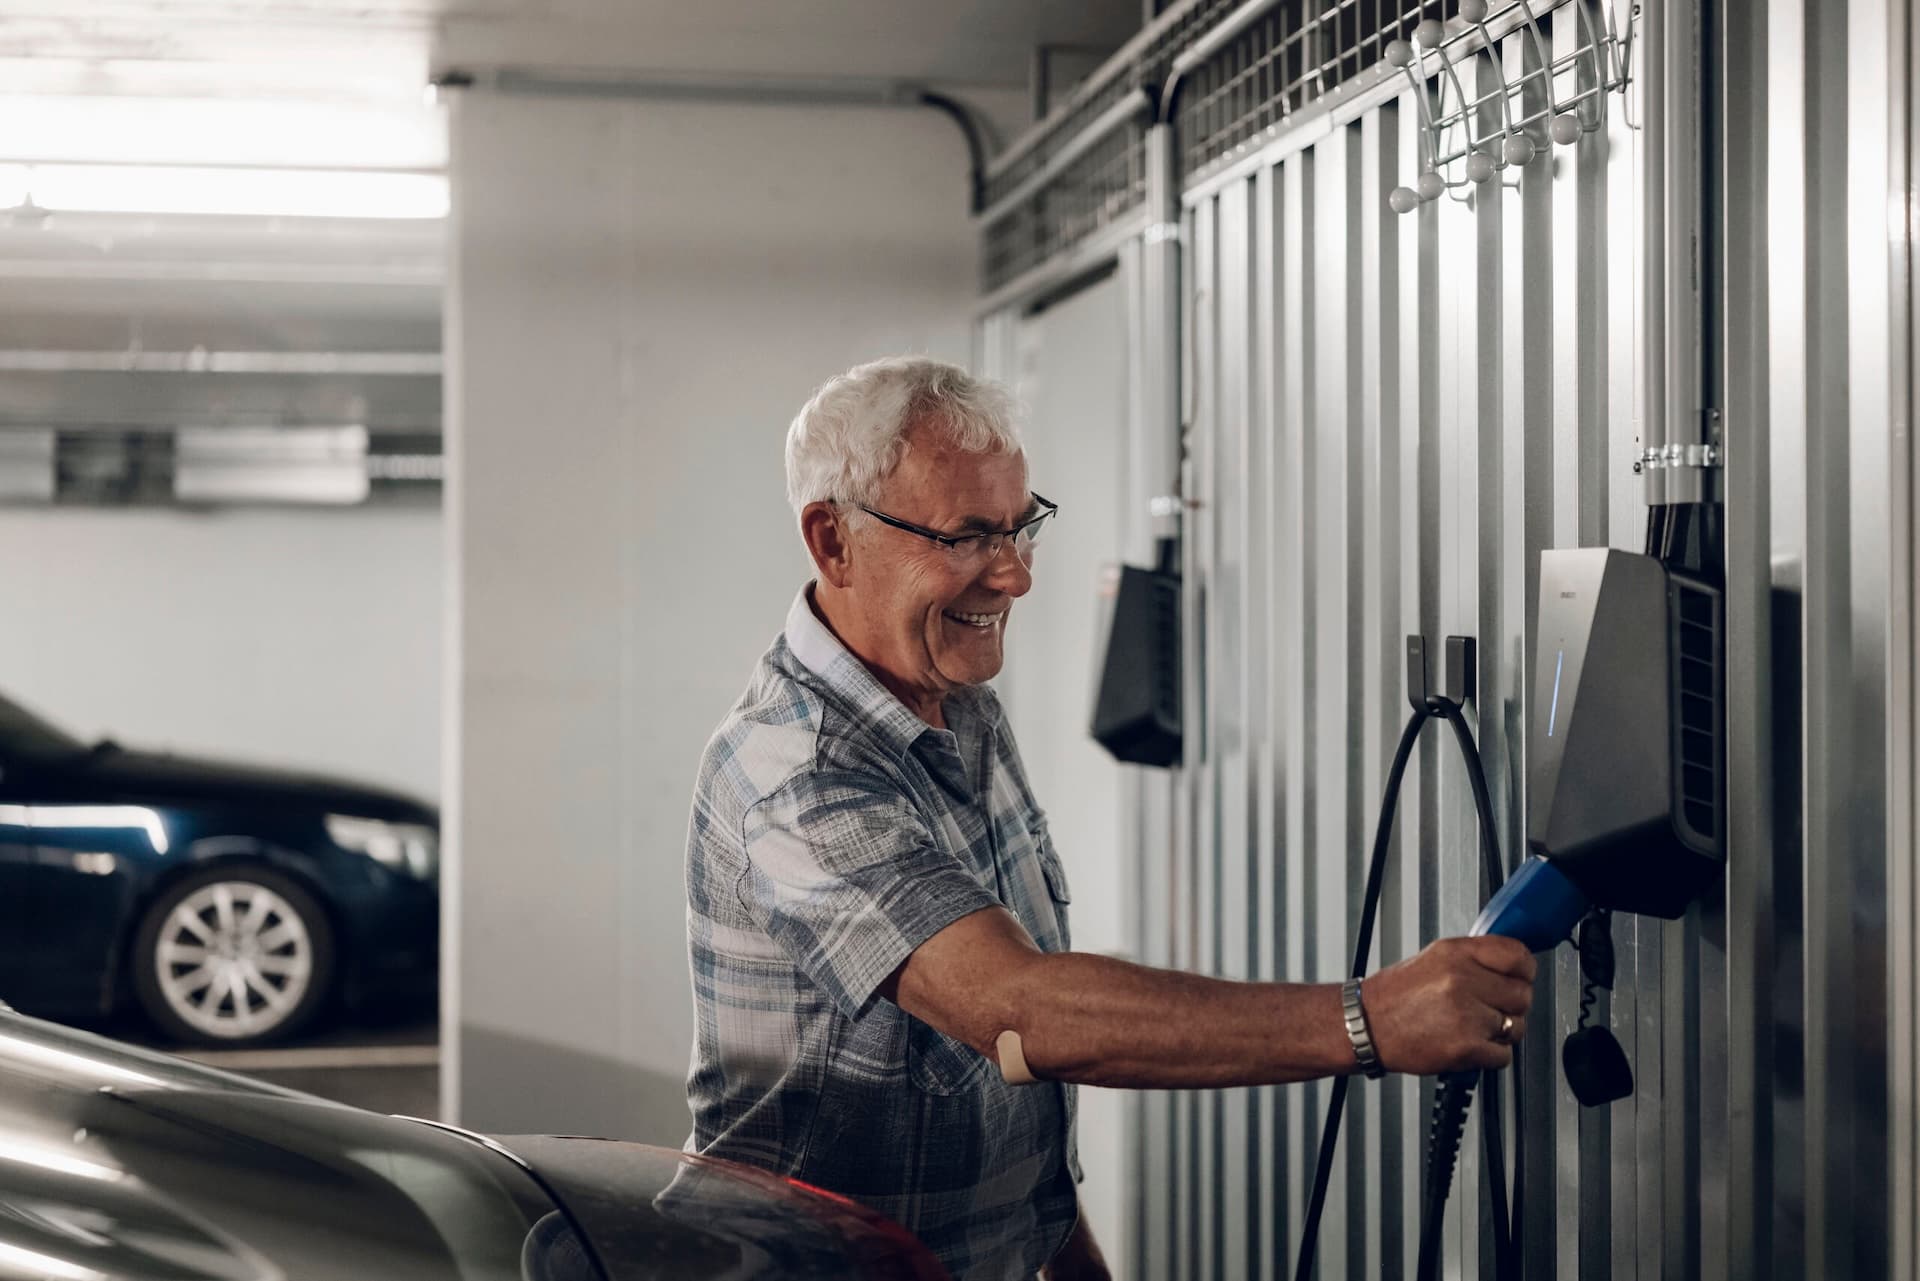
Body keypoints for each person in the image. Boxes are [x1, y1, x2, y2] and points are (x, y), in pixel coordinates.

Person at [683, 356, 1536, 1280]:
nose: (1013, 576)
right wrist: (1369, 1018)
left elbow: (998, 1074)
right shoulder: (794, 770)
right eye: (969, 537)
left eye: (1020, 528)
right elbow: (1019, 1011)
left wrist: (1068, 1256)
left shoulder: (954, 698)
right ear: (834, 541)